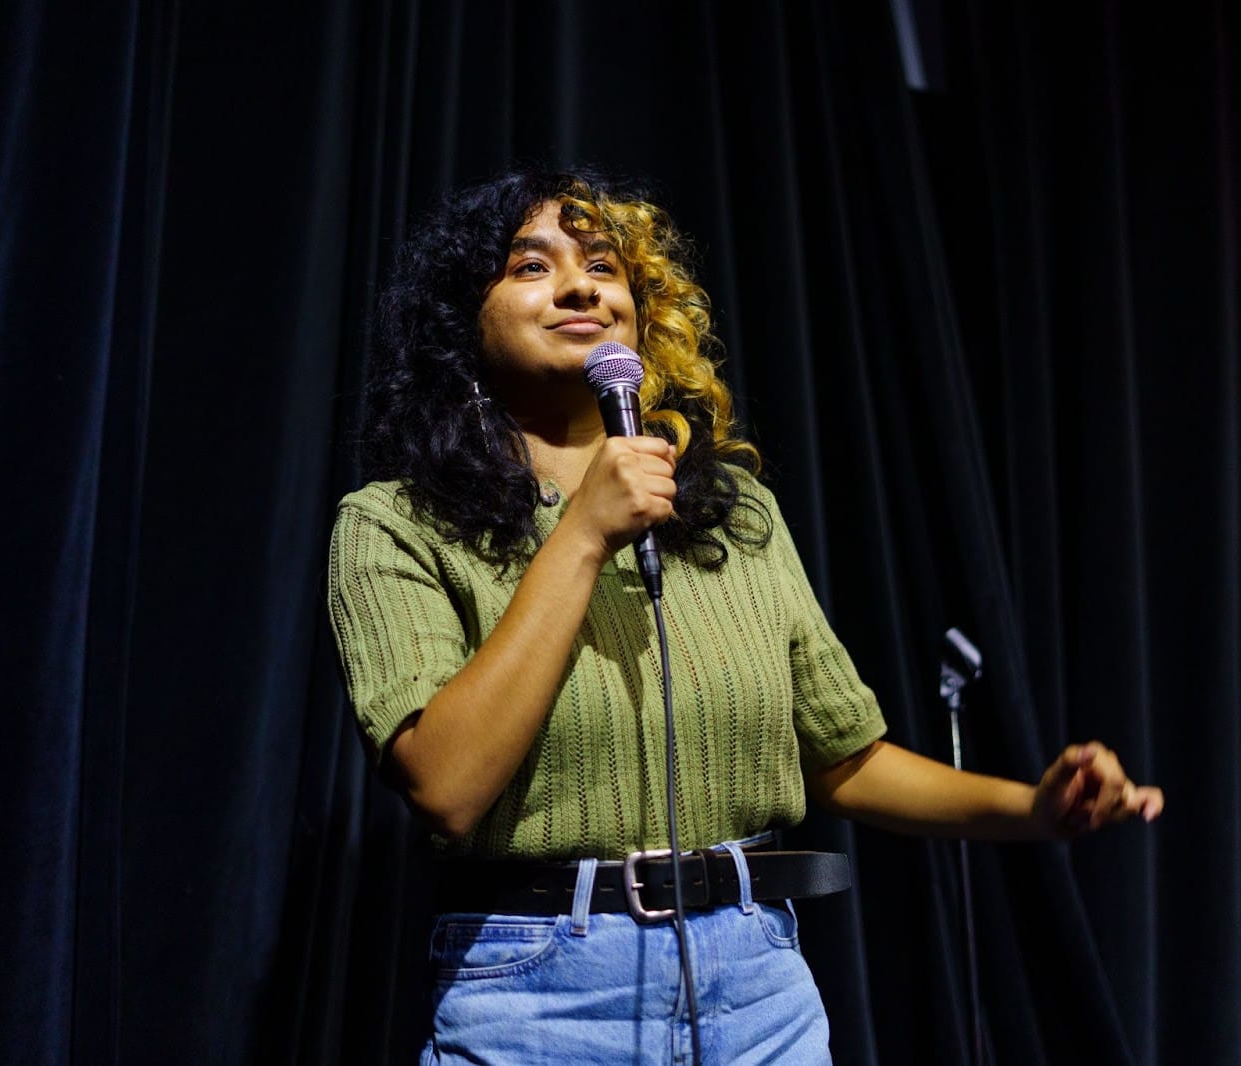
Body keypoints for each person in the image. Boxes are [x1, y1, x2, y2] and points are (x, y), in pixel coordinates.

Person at [326, 166, 1164, 1065]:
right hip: (540, 994)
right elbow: (445, 790)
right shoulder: (394, 524)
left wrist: (1035, 808)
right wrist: (580, 537)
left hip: (758, 988)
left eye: (603, 266)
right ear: (462, 323)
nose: (580, 286)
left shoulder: (736, 515)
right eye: (531, 267)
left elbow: (845, 761)